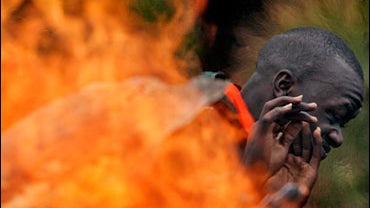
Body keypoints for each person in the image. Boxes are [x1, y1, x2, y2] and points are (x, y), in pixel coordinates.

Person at [208, 26, 364, 206]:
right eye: (334, 114)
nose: (338, 139)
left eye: (342, 124)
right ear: (284, 85)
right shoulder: (193, 122)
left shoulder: (274, 167)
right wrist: (251, 178)